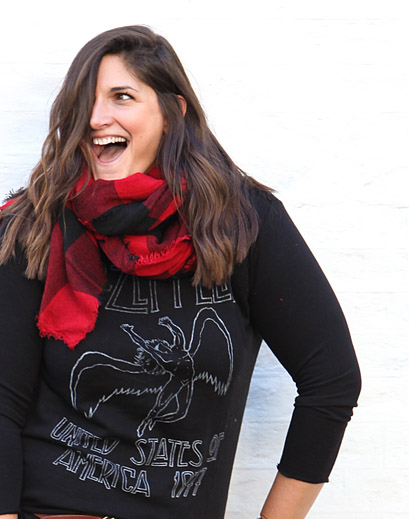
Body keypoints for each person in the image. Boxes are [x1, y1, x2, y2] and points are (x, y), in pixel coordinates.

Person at [0, 25, 361, 519]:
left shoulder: (243, 224)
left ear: (173, 113)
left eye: (121, 97)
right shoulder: (34, 226)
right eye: (84, 101)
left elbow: (332, 381)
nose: (95, 118)